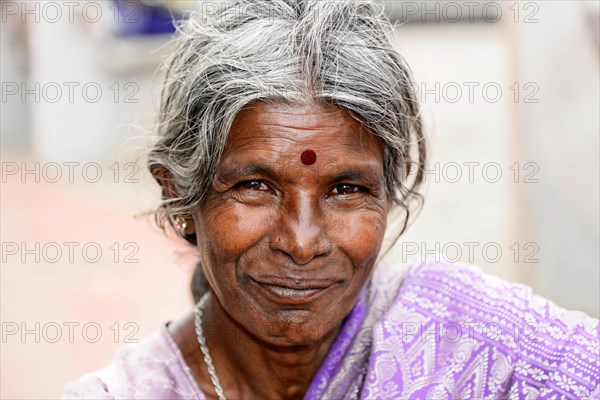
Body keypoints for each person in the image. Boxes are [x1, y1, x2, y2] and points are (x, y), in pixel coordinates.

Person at [62, 0, 599, 398]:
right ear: (179, 195)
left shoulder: (468, 337)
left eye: (347, 190)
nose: (301, 242)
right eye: (255, 186)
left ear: (391, 191)